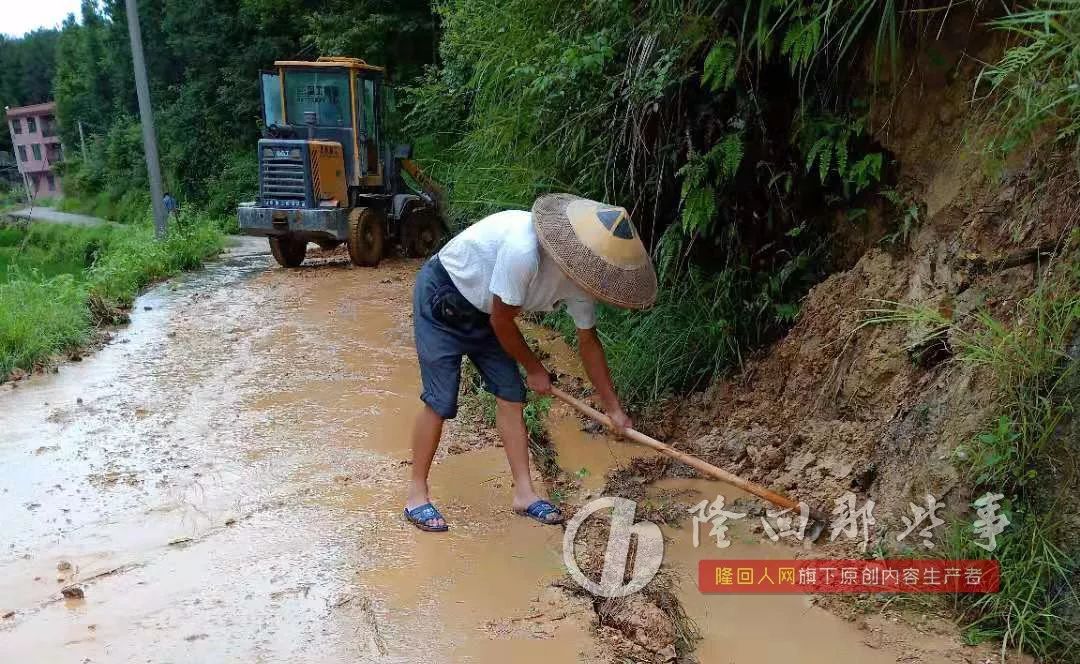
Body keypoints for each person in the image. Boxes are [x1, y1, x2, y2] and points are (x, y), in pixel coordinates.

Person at [404, 193, 658, 531]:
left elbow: (589, 343)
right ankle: (416, 495)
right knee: (440, 400)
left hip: (488, 312)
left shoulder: (583, 284)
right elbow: (501, 321)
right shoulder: (525, 251)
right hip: (444, 296)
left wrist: (613, 408)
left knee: (511, 393)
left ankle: (524, 493)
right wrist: (535, 369)